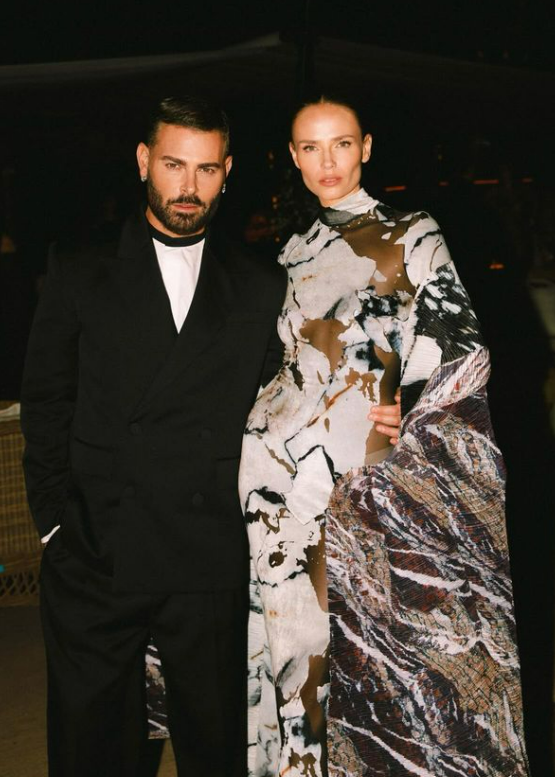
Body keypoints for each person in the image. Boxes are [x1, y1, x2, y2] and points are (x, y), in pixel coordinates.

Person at [239, 98, 530, 776]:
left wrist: (412, 400)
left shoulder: (412, 232)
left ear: (365, 147)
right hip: (277, 481)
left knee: (378, 663)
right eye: (311, 148)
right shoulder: (289, 250)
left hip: (365, 483)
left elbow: (463, 346)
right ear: (293, 156)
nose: (328, 162)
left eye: (341, 144)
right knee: (296, 658)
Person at [20, 95, 289, 777]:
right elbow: (47, 400)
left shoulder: (260, 283)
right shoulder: (79, 267)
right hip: (95, 547)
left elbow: (288, 397)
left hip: (205, 552)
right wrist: (53, 522)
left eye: (206, 169)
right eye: (174, 165)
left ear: (227, 173)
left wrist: (383, 406)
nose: (188, 186)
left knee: (214, 745)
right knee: (91, 745)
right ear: (144, 162)